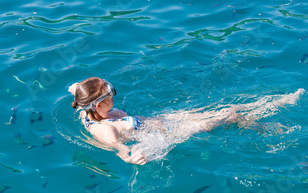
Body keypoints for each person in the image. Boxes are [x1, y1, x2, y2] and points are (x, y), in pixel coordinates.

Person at [69, 77, 305, 165]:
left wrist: (76, 88)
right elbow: (121, 151)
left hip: (164, 120)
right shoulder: (107, 130)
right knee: (231, 116)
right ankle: (271, 129)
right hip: (173, 133)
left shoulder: (84, 109)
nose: (114, 99)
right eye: (111, 97)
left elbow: (78, 93)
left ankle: (282, 102)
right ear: (99, 105)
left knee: (229, 108)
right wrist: (132, 159)